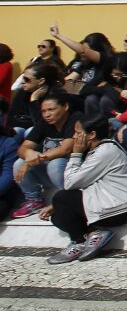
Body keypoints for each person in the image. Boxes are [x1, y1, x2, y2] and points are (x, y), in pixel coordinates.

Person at [44, 114, 127, 265]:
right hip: (108, 201)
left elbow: (70, 183)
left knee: (61, 197)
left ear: (92, 134)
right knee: (58, 216)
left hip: (122, 208)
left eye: (77, 132)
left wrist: (75, 154)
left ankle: (79, 241)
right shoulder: (98, 149)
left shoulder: (105, 151)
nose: (74, 137)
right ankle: (93, 234)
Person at [12, 90, 81, 219]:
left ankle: (67, 199)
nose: (47, 115)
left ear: (65, 106)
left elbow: (65, 149)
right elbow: (22, 148)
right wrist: (29, 153)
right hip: (51, 173)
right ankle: (34, 201)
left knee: (55, 163)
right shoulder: (44, 123)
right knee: (19, 163)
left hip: (74, 172)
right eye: (43, 111)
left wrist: (36, 158)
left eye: (51, 109)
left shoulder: (75, 118)